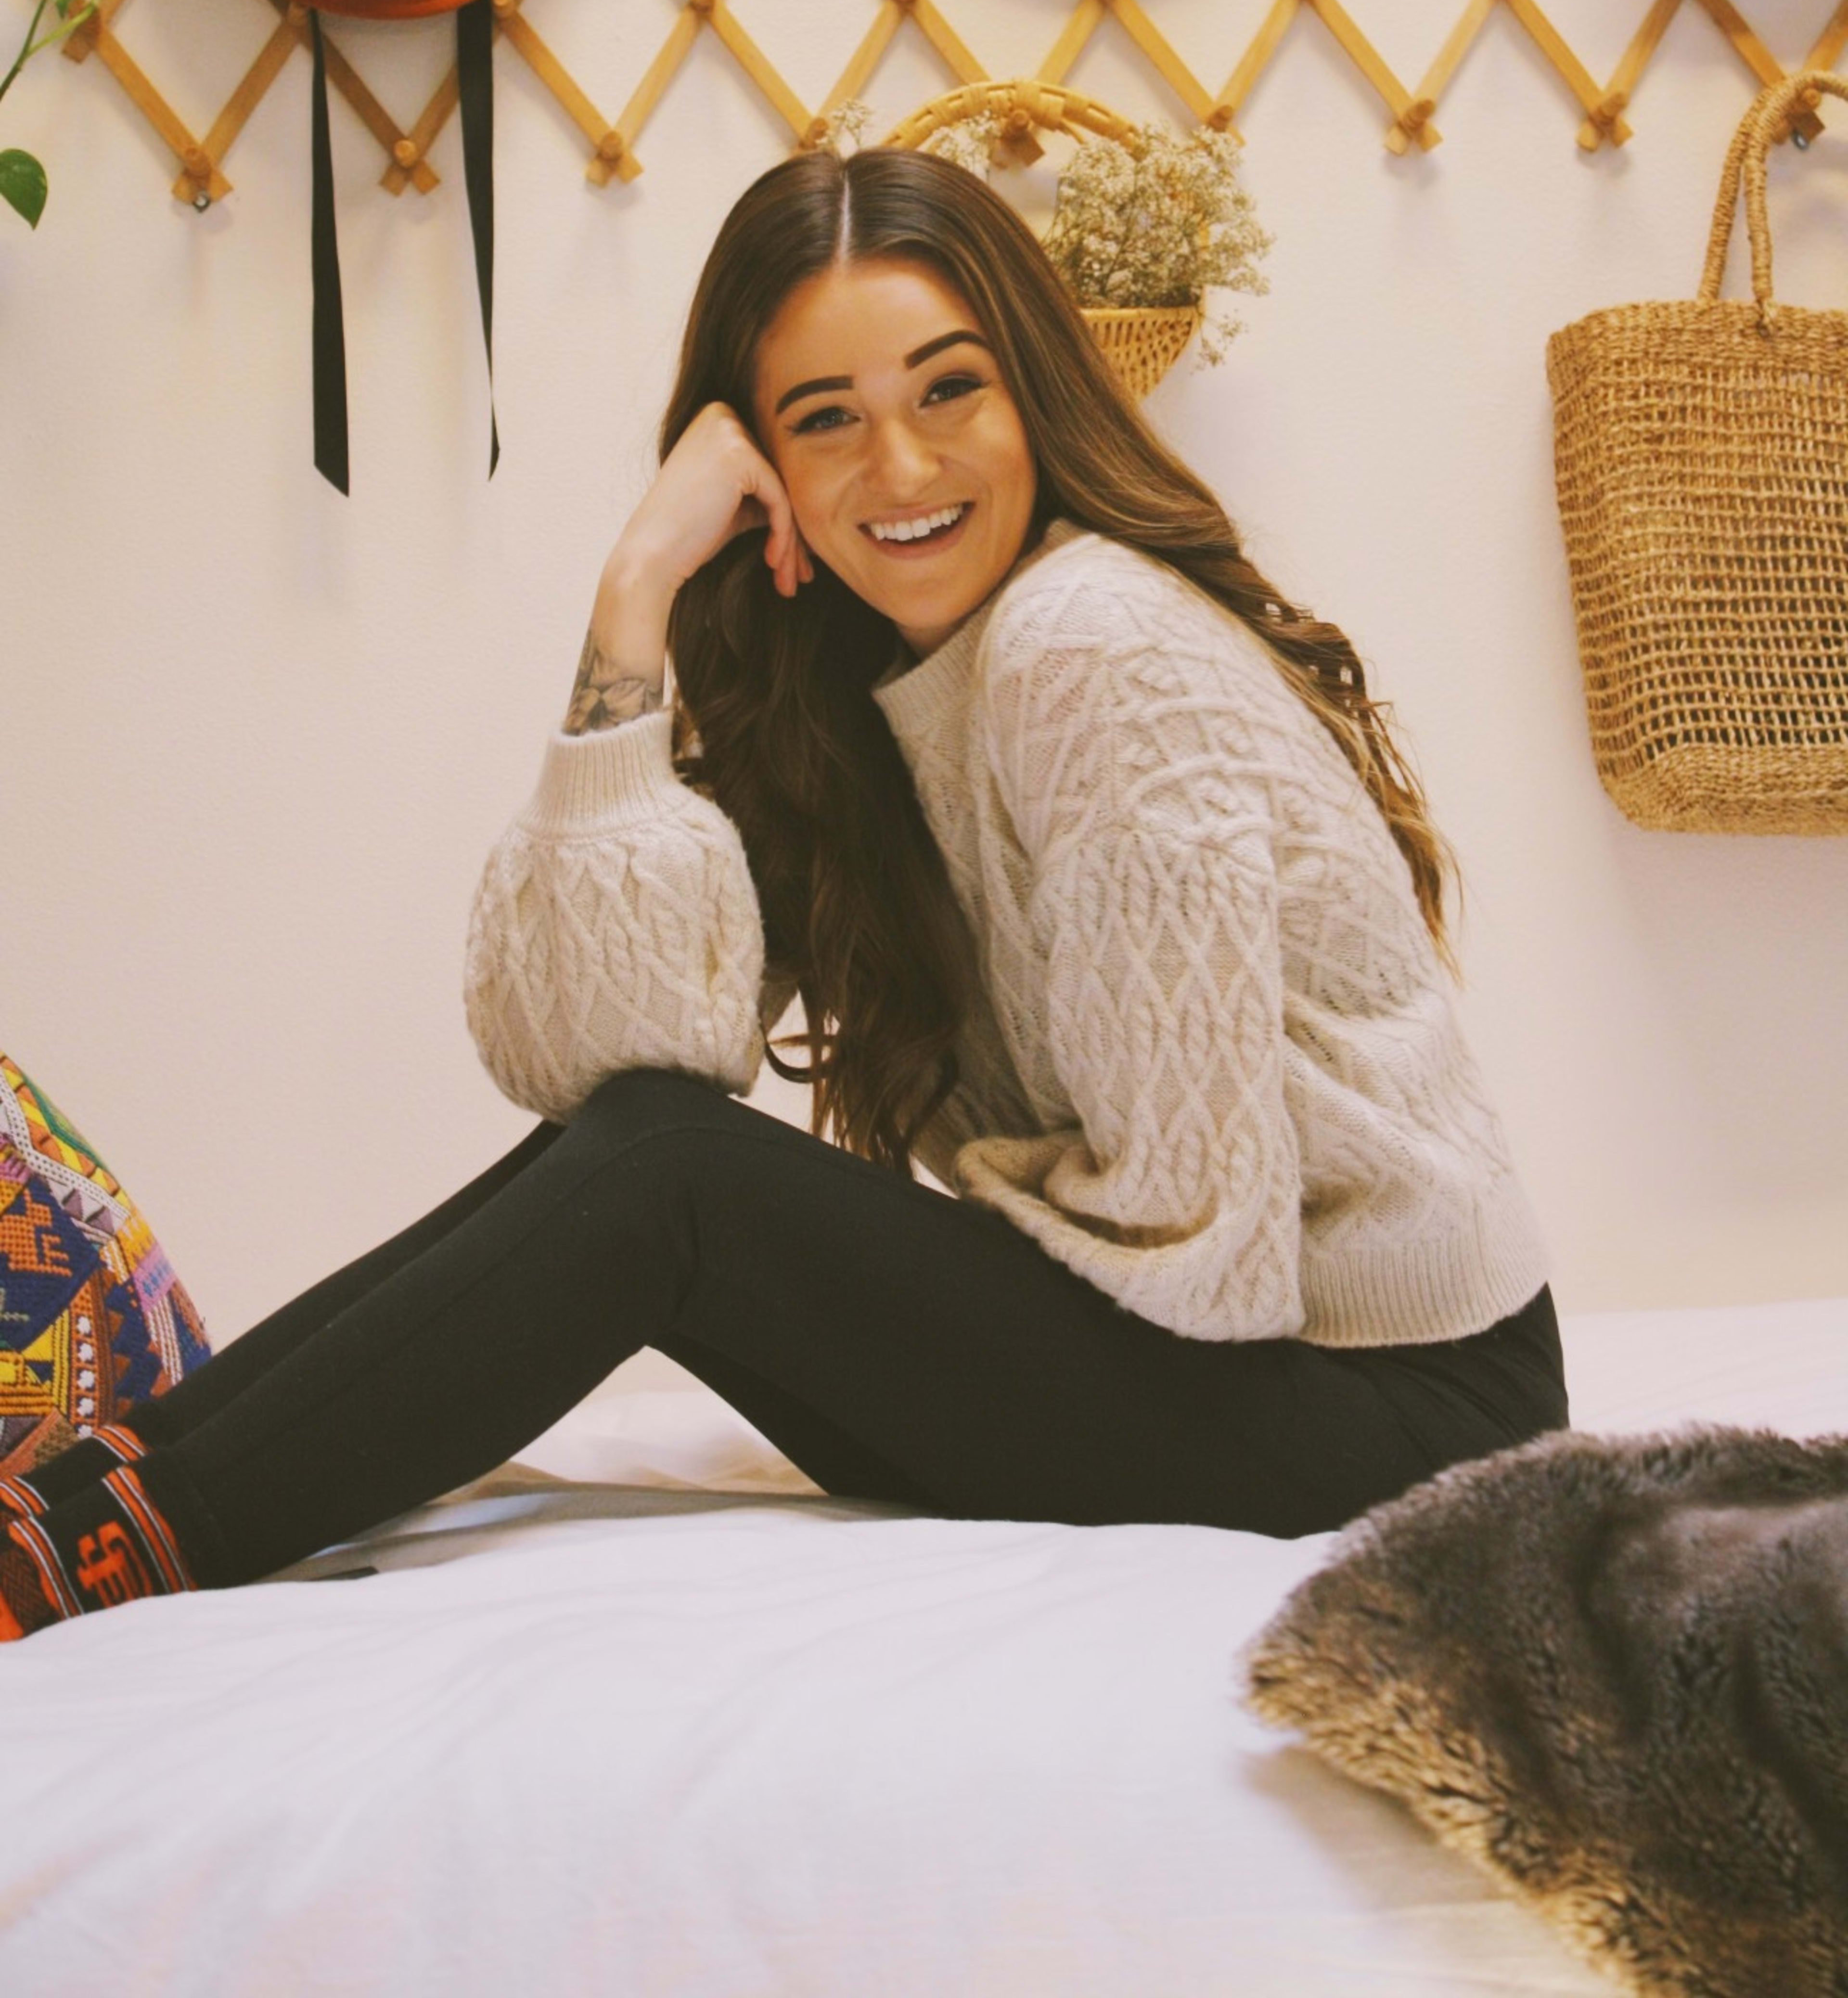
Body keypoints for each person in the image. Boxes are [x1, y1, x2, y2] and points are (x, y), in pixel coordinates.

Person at [1, 142, 1566, 1642]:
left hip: (1387, 1414)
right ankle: (97, 1502)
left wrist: (872, 1256)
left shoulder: (1088, 648)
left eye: (950, 388)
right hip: (1249, 1379)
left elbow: (1205, 1258)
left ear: (1035, 387)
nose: (900, 467)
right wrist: (633, 607)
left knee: (685, 1182)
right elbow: (594, 1066)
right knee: (654, 1162)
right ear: (761, 464)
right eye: (825, 421)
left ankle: (103, 1540)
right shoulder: (867, 695)